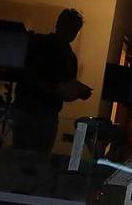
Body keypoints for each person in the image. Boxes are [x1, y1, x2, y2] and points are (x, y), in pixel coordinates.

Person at [13, 9, 92, 152]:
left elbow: (64, 88)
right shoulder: (41, 46)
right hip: (31, 109)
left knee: (32, 156)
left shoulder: (66, 56)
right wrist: (58, 89)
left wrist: (76, 93)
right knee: (28, 156)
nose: (71, 33)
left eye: (74, 29)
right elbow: (27, 75)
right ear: (59, 25)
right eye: (69, 28)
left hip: (45, 111)